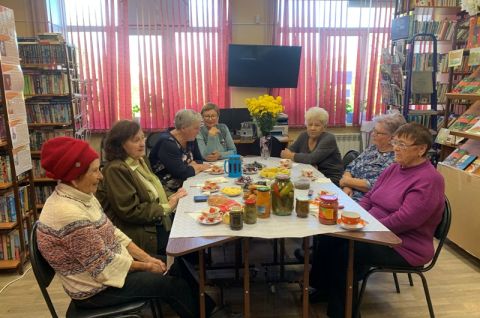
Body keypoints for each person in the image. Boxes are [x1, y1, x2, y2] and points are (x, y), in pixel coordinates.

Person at [35, 136, 216, 318]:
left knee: (177, 263)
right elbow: (104, 267)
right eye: (95, 171)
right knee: (173, 285)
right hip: (95, 291)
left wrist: (145, 258)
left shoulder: (83, 196)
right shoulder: (68, 215)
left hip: (110, 269)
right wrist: (145, 266)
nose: (101, 176)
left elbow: (113, 232)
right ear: (74, 178)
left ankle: (210, 311)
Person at [310, 123, 445, 318]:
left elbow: (406, 219)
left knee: (346, 251)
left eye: (402, 144)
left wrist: (367, 226)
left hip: (403, 245)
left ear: (421, 149)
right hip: (375, 229)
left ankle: (343, 312)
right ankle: (326, 289)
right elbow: (369, 197)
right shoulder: (394, 169)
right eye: (395, 142)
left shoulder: (430, 179)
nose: (396, 148)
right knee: (328, 236)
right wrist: (358, 217)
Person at [96, 120, 187, 256]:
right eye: (135, 140)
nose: (142, 143)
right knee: (185, 244)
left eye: (142, 138)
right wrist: (166, 207)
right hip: (141, 232)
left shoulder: (140, 160)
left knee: (188, 228)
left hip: (155, 220)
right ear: (120, 145)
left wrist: (172, 195)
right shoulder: (116, 169)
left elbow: (155, 187)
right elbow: (131, 211)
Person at [339, 112, 406, 201]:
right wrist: (347, 186)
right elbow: (350, 168)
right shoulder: (372, 148)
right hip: (347, 193)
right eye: (374, 130)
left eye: (378, 133)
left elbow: (375, 185)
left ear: (392, 138)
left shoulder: (395, 158)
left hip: (365, 201)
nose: (373, 134)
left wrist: (346, 181)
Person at [149, 109, 211, 192]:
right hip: (168, 189)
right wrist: (198, 167)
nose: (198, 132)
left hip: (187, 181)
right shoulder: (167, 143)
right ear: (183, 128)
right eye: (196, 128)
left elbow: (199, 160)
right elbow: (181, 173)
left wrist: (190, 166)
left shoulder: (191, 138)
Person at [280, 107, 343, 185]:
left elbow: (312, 159)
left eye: (317, 125)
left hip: (329, 179)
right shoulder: (304, 135)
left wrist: (291, 156)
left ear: (324, 127)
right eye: (310, 124)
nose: (312, 128)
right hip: (311, 176)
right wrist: (290, 155)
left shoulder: (329, 138)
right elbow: (287, 151)